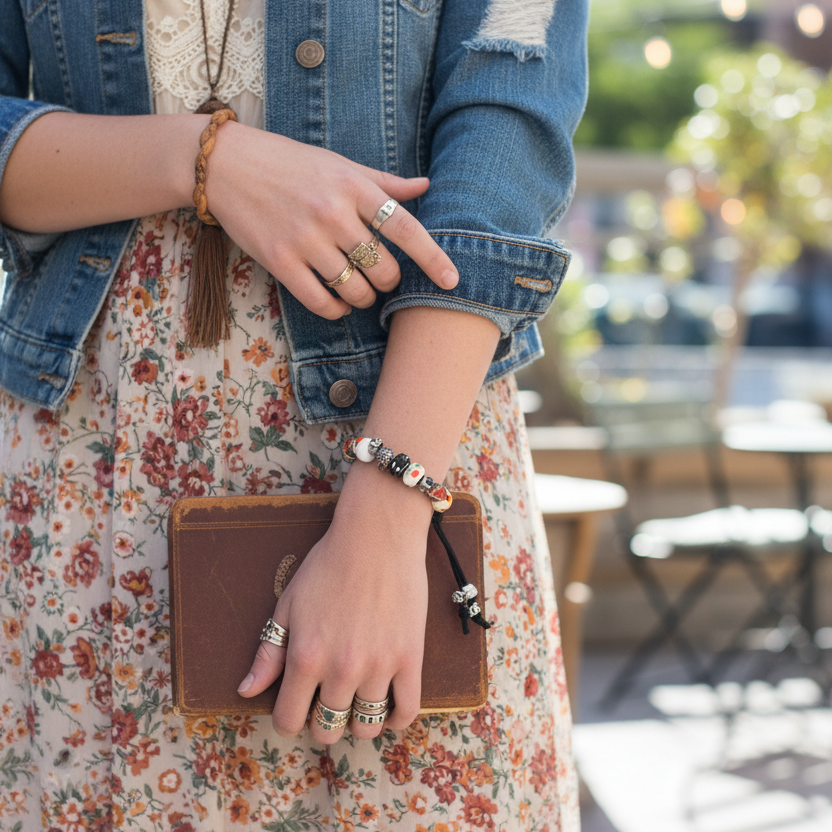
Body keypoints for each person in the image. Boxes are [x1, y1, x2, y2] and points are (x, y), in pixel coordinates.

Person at [0, 0, 588, 828]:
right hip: (87, 467)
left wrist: (383, 524)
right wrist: (207, 160)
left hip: (410, 441)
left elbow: (509, 130)